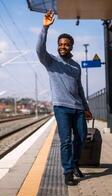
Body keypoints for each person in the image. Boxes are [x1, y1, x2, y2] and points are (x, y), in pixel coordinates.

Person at [36, 10, 93, 186]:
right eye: (60, 44)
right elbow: (39, 49)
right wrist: (44, 28)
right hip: (61, 107)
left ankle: (75, 163)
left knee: (82, 137)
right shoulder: (50, 61)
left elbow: (80, 89)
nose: (63, 46)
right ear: (58, 45)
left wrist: (86, 107)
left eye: (66, 44)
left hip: (77, 108)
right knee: (66, 140)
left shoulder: (76, 66)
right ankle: (68, 172)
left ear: (71, 46)